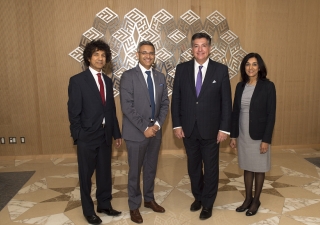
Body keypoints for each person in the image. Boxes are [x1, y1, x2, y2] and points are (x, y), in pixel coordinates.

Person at [171, 33, 232, 220]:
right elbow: (177, 99)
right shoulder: (182, 69)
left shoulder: (220, 70)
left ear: (210, 48)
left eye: (203, 45)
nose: (200, 49)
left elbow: (226, 102)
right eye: (196, 46)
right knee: (193, 167)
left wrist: (224, 128)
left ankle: (207, 203)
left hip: (212, 131)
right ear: (192, 49)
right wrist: (177, 125)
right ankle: (198, 197)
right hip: (188, 128)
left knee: (211, 168)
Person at [67, 39, 122, 225]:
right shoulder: (77, 81)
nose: (100, 58)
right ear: (89, 58)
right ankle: (88, 210)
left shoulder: (107, 80)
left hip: (105, 135)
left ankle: (104, 204)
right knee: (85, 176)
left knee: (105, 173)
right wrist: (78, 135)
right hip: (87, 137)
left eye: (103, 55)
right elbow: (73, 112)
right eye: (96, 54)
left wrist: (117, 133)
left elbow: (110, 110)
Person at [120, 41, 169, 224]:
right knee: (135, 171)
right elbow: (127, 106)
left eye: (151, 53)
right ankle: (134, 206)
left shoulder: (160, 77)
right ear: (137, 54)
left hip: (155, 133)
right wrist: (144, 128)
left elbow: (165, 104)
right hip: (136, 133)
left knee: (150, 168)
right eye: (144, 53)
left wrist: (156, 125)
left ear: (154, 55)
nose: (148, 56)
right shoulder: (128, 76)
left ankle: (149, 199)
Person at [229, 53, 276, 216]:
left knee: (259, 168)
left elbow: (271, 114)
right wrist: (233, 135)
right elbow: (235, 112)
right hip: (242, 133)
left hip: (259, 134)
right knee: (247, 167)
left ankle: (256, 200)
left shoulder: (268, 86)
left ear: (260, 67)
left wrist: (266, 140)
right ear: (244, 67)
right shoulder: (240, 86)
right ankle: (247, 198)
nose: (250, 67)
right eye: (247, 64)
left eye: (254, 64)